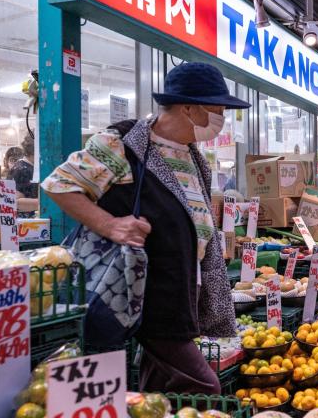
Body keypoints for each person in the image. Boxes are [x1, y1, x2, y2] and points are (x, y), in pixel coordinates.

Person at [42, 62, 250, 394]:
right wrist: (111, 225)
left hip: (181, 291)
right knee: (203, 385)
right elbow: (58, 184)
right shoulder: (122, 144)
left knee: (158, 387)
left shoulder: (195, 157)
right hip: (143, 293)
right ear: (187, 107)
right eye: (217, 108)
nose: (221, 117)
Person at [9, 135, 40, 217]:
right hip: (24, 222)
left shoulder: (33, 167)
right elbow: (15, 202)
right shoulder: (21, 169)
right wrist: (44, 203)